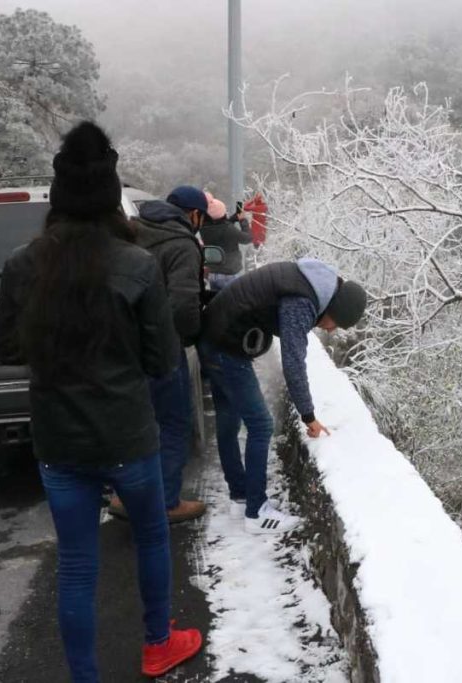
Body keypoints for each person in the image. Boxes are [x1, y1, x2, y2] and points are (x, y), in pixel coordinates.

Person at [0, 121, 202, 681]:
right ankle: (158, 645)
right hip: (128, 437)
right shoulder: (138, 266)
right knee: (153, 536)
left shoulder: (22, 265)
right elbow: (163, 361)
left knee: (78, 564)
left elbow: (9, 345)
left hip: (58, 441)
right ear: (112, 197)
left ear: (57, 197)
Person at [201, 258, 368, 534]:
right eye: (335, 322)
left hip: (215, 335)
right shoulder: (302, 301)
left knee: (228, 421)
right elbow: (293, 362)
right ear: (333, 307)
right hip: (225, 345)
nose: (330, 329)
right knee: (261, 425)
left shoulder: (311, 281)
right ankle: (256, 512)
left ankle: (240, 496)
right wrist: (309, 416)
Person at [109, 185, 209, 523]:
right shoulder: (182, 245)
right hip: (161, 349)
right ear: (194, 215)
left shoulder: (131, 231)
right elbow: (182, 305)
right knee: (173, 422)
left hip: (121, 344)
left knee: (134, 422)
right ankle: (166, 501)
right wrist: (192, 335)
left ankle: (125, 498)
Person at [200, 191, 251, 290]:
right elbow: (247, 238)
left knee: (217, 302)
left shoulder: (203, 228)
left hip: (213, 274)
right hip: (229, 275)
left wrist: (233, 218)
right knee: (232, 303)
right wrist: (242, 220)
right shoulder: (228, 229)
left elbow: (220, 226)